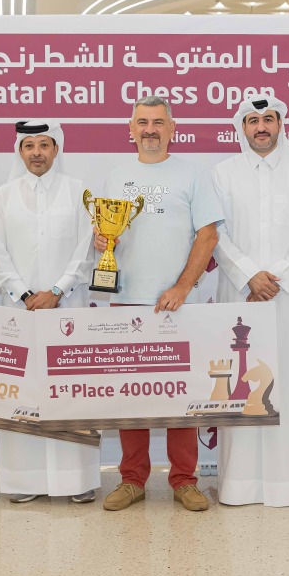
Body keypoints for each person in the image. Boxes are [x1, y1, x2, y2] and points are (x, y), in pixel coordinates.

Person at [95, 96, 224, 512]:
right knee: (132, 396)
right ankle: (132, 480)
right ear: (129, 129)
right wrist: (102, 240)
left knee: (180, 396)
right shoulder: (115, 176)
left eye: (157, 122)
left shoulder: (193, 174)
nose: (149, 129)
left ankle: (185, 480)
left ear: (173, 128)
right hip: (126, 301)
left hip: (178, 304)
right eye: (142, 122)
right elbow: (106, 234)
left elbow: (208, 237)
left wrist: (183, 287)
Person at [211, 94, 289, 507]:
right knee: (242, 385)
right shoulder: (222, 175)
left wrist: (275, 275)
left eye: (268, 119)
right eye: (252, 120)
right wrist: (248, 276)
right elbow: (214, 233)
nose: (261, 127)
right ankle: (239, 485)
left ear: (281, 123)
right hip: (239, 298)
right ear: (241, 128)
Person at [0, 120, 100, 504]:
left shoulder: (78, 191)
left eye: (44, 145)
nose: (37, 152)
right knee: (23, 389)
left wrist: (55, 291)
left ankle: (76, 479)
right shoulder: (4, 195)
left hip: (67, 307)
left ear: (56, 149)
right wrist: (23, 294)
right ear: (19, 151)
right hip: (18, 311)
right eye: (29, 145)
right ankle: (25, 480)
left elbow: (86, 250)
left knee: (71, 389)